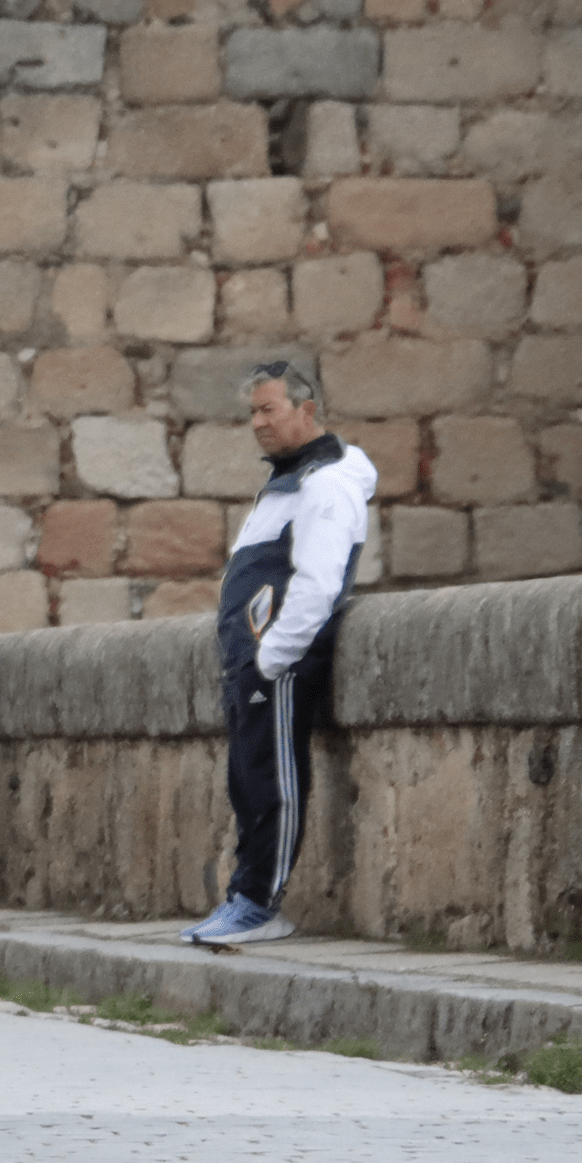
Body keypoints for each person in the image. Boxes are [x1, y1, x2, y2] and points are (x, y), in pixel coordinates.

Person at [182, 363, 377, 947]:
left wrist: (272, 659)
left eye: (269, 410)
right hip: (251, 660)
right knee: (248, 779)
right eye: (252, 413)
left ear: (306, 409)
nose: (257, 423)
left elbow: (317, 582)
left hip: (280, 663)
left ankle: (257, 904)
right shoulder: (289, 481)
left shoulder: (326, 483)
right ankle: (243, 898)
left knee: (274, 781)